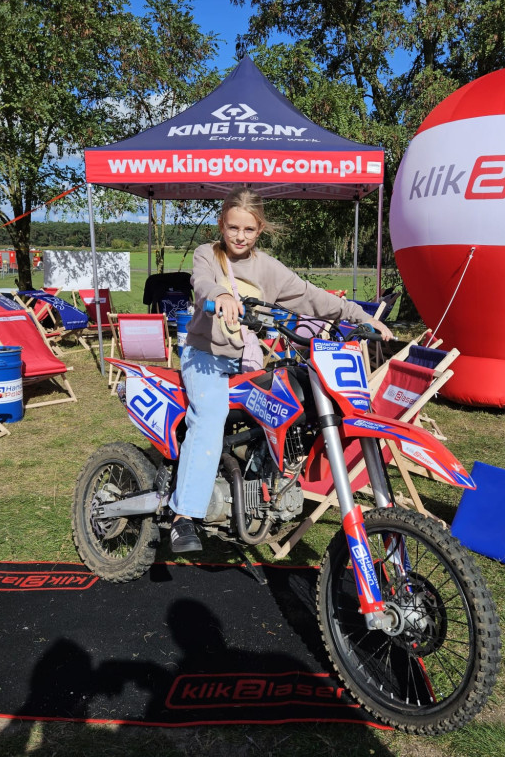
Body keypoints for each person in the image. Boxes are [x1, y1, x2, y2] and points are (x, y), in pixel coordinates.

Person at [169, 186, 394, 553]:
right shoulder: (206, 255)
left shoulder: (267, 269)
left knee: (280, 407)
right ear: (221, 225)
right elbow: (203, 286)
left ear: (260, 230)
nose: (240, 236)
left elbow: (312, 296)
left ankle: (257, 491)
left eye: (249, 230)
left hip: (244, 358)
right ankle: (184, 516)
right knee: (210, 415)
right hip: (204, 355)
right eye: (232, 228)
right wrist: (220, 296)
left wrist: (360, 315)